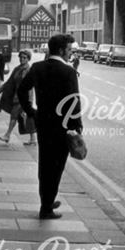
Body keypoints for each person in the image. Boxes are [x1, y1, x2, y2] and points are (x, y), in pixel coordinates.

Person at [17, 34, 82, 218]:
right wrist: (77, 126)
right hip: (62, 127)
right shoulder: (68, 72)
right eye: (69, 50)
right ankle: (46, 208)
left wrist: (31, 111)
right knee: (57, 166)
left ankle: (46, 199)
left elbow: (22, 89)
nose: (70, 53)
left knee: (45, 164)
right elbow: (74, 101)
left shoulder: (37, 67)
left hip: (43, 123)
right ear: (61, 50)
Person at [0, 49, 35, 144]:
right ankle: (33, 139)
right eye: (21, 57)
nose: (22, 59)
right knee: (27, 117)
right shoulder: (17, 69)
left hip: (25, 97)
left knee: (15, 114)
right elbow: (10, 81)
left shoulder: (29, 70)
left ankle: (7, 135)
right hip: (17, 96)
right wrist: (1, 89)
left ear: (28, 59)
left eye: (24, 58)